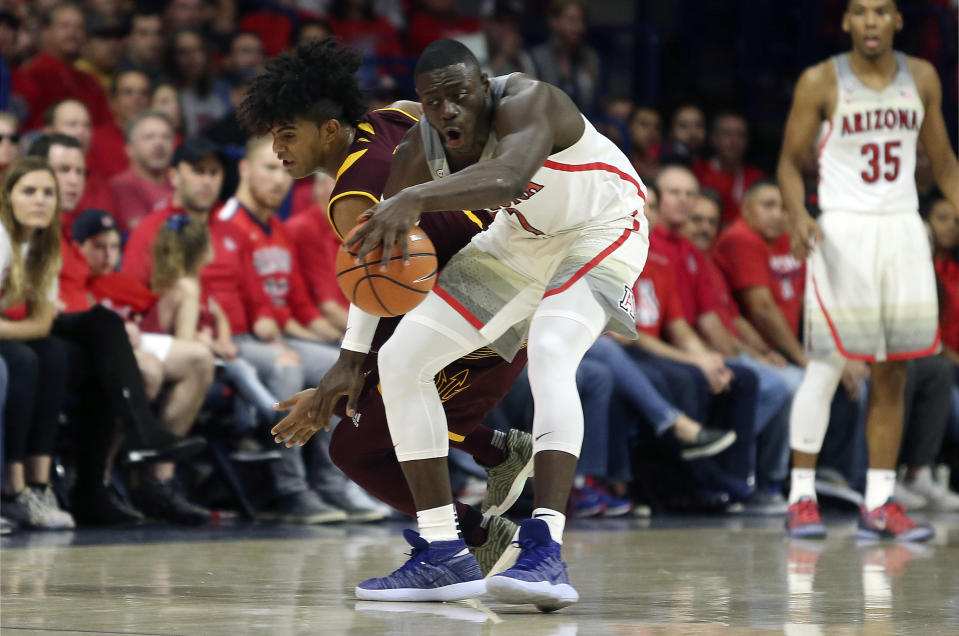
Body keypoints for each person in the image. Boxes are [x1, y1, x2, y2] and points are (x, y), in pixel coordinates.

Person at [273, 39, 648, 608]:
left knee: (550, 349)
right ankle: (443, 553)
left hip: (602, 229)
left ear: (484, 87)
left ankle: (545, 548)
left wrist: (416, 197)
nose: (447, 111)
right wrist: (351, 357)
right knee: (400, 362)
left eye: (460, 96)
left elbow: (506, 178)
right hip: (519, 242)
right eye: (433, 101)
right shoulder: (417, 149)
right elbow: (376, 257)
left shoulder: (531, 101)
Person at [239, 38, 536, 571]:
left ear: (329, 129)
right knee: (379, 414)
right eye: (273, 135)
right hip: (494, 292)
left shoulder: (352, 196)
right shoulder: (395, 116)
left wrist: (346, 372)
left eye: (288, 134)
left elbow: (379, 292)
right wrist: (346, 376)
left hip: (488, 323)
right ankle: (496, 458)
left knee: (359, 448)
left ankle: (475, 540)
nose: (278, 149)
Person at [777, 0, 958, 541]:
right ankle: (800, 496)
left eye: (882, 11)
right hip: (845, 231)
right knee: (829, 364)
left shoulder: (921, 76)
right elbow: (789, 162)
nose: (872, 20)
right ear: (848, 22)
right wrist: (799, 214)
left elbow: (943, 160)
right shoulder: (820, 80)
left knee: (894, 369)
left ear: (898, 21)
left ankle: (880, 502)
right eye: (861, 11)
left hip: (902, 227)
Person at [73, 208, 216, 524]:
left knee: (199, 359)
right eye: (98, 246)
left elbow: (154, 314)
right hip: (96, 350)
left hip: (137, 343)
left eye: (114, 247)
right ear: (78, 248)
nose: (108, 255)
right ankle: (99, 483)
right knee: (146, 372)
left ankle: (157, 481)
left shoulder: (124, 285)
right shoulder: (76, 282)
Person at [0, 157, 75, 530]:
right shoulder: (0, 239)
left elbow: (42, 323)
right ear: (7, 197)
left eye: (48, 192)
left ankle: (39, 483)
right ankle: (12, 488)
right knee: (23, 360)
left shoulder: (44, 246)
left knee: (55, 352)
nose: (40, 200)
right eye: (28, 191)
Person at [108, 110, 176, 232]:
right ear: (130, 149)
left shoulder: (179, 182)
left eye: (166, 137)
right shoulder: (122, 185)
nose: (159, 143)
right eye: (149, 137)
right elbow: (141, 233)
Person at [693, 112, 764, 226]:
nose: (733, 141)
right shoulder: (697, 171)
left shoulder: (756, 177)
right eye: (727, 134)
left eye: (740, 135)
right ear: (713, 138)